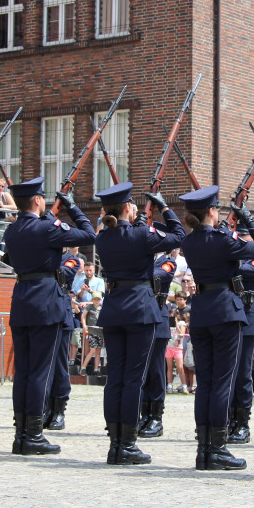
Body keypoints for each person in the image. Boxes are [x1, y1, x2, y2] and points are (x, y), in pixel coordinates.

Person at [179, 185, 254, 471]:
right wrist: (249, 219)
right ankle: (217, 448)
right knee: (222, 383)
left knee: (205, 384)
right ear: (211, 211)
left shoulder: (189, 242)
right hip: (225, 312)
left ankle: (203, 449)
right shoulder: (223, 240)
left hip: (202, 311)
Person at [4, 177, 95, 456]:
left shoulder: (12, 230)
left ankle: (21, 433)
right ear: (37, 201)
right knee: (41, 372)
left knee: (24, 372)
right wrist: (73, 208)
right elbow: (89, 234)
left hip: (21, 300)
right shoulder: (47, 228)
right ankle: (33, 434)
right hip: (46, 302)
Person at [95, 182, 184, 466]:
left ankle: (115, 443)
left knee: (115, 379)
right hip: (140, 309)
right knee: (134, 379)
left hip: (114, 309)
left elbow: (126, 234)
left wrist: (140, 220)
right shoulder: (142, 234)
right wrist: (164, 207)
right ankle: (128, 444)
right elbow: (178, 235)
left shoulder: (103, 238)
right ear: (127, 208)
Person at [227, 225, 254, 445]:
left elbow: (248, 272)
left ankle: (242, 422)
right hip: (226, 317)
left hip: (245, 319)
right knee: (226, 374)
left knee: (243, 374)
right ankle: (225, 419)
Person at [138, 249, 178, 438]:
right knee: (141, 372)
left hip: (159, 320)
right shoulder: (144, 259)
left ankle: (156, 417)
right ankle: (144, 414)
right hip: (141, 318)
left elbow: (156, 275)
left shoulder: (167, 262)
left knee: (156, 371)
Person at [43, 245, 84, 431]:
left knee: (60, 365)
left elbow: (62, 273)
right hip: (42, 313)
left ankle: (58, 410)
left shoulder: (71, 259)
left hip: (61, 315)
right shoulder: (44, 254)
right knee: (42, 365)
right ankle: (43, 408)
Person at [80, 292, 104, 374]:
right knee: (93, 349)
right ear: (92, 300)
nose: (96, 301)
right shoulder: (89, 307)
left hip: (100, 332)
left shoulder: (102, 308)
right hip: (91, 331)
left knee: (98, 350)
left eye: (98, 299)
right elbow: (83, 316)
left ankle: (96, 369)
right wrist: (84, 325)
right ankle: (83, 368)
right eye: (95, 299)